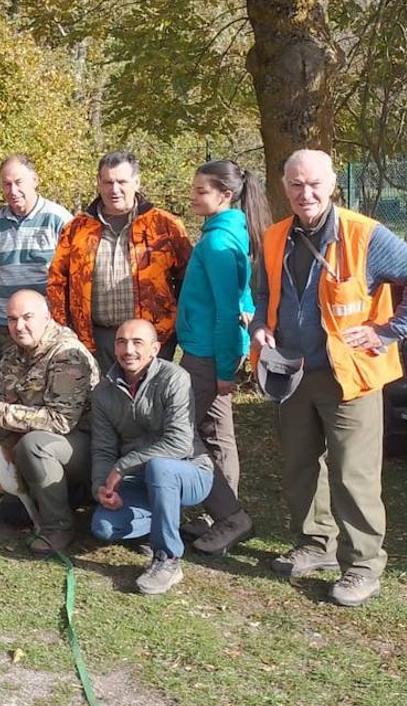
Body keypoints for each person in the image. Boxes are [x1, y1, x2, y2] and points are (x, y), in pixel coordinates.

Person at [251, 149, 407, 606]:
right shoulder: (275, 237)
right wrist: (259, 326)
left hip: (351, 376)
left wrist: (388, 332)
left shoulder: (363, 234)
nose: (305, 193)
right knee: (298, 467)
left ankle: (363, 565)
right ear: (284, 185)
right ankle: (315, 546)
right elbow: (260, 290)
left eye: (314, 184)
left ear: (332, 185)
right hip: (291, 374)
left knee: (354, 475)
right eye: (295, 184)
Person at [174, 159, 270, 555]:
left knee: (177, 431)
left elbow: (229, 310)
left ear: (225, 195)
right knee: (217, 435)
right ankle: (220, 519)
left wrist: (227, 366)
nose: (193, 197)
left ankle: (229, 515)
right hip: (209, 352)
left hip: (206, 357)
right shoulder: (227, 232)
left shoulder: (217, 242)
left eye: (201, 191)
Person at [90, 319, 214, 595]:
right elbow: (102, 449)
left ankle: (168, 558)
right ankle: (160, 522)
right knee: (103, 528)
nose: (128, 350)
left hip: (189, 471)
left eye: (137, 343)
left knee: (160, 468)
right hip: (138, 480)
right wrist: (101, 486)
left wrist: (123, 466)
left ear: (155, 349)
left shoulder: (174, 378)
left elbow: (180, 443)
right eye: (121, 342)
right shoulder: (103, 391)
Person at [0, 290, 98, 554]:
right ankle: (66, 499)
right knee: (13, 511)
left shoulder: (67, 354)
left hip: (83, 445)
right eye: (12, 319)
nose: (19, 326)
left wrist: (1, 413)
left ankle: (58, 527)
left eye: (27, 317)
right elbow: (5, 424)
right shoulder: (11, 355)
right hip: (42, 443)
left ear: (47, 317)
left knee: (33, 445)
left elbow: (61, 420)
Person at [47, 151, 192, 372]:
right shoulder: (76, 228)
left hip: (152, 338)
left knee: (149, 402)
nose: (114, 189)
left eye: (121, 182)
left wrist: (177, 326)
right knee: (103, 401)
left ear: (137, 181)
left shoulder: (164, 226)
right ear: (98, 183)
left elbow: (188, 279)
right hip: (95, 339)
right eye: (107, 182)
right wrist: (64, 331)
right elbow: (57, 282)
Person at [0, 155, 71, 358]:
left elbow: (74, 277)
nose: (13, 191)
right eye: (7, 184)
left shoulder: (58, 220)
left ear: (35, 180)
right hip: (6, 327)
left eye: (18, 182)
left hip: (48, 326)